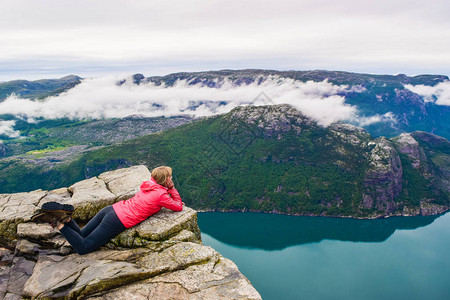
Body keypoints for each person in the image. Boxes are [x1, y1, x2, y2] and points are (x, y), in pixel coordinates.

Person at [32, 166, 183, 255]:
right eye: (169, 176)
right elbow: (178, 207)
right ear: (166, 179)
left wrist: (164, 185)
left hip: (111, 209)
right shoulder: (162, 194)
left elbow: (157, 187)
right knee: (83, 248)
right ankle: (57, 222)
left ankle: (66, 218)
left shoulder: (148, 185)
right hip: (117, 220)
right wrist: (172, 188)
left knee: (83, 234)